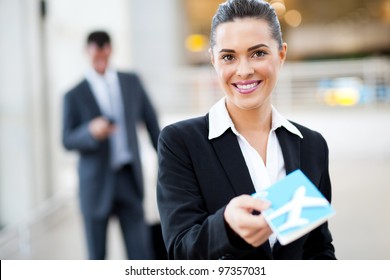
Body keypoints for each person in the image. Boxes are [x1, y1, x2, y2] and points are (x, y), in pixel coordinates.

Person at [157, 0, 336, 259]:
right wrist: (225, 228)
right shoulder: (180, 143)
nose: (244, 71)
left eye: (258, 53)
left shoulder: (311, 145)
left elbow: (317, 249)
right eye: (228, 57)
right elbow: (181, 250)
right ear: (213, 61)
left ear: (281, 54)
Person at [62, 31, 161, 259]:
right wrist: (89, 131)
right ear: (87, 52)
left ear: (110, 49)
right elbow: (66, 139)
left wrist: (169, 162)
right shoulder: (73, 94)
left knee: (141, 254)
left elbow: (152, 125)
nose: (101, 54)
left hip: (128, 178)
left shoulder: (131, 82)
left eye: (104, 48)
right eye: (95, 50)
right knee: (97, 257)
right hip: (95, 184)